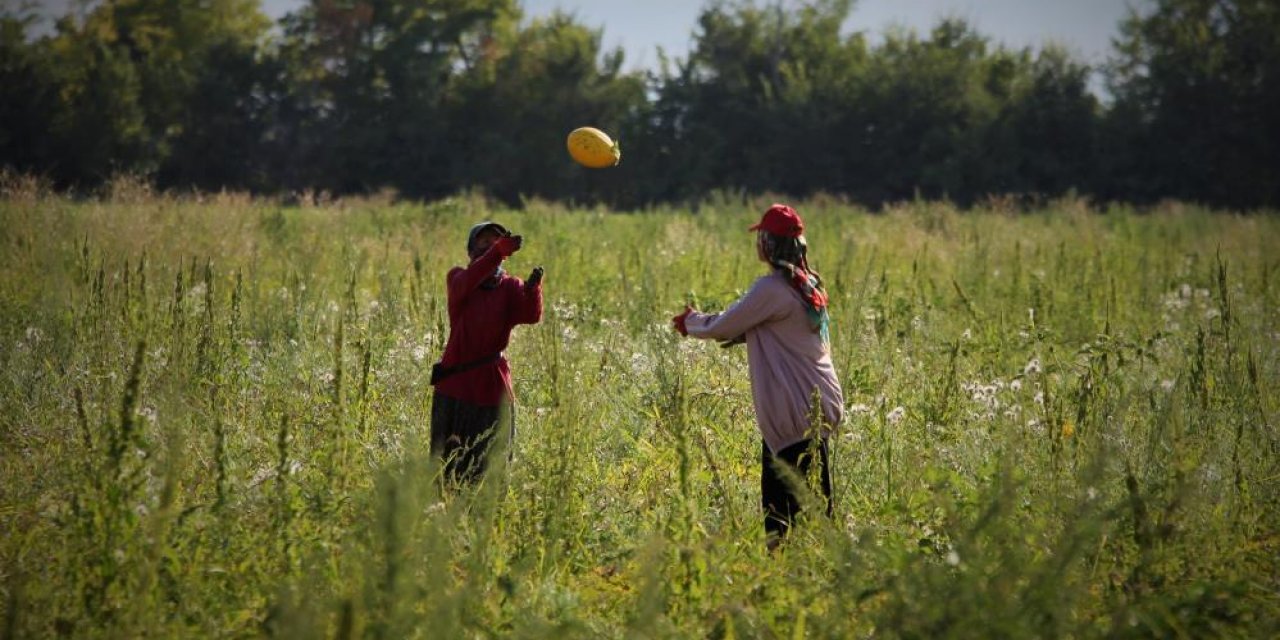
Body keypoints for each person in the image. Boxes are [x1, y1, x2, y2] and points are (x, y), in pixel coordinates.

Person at [671, 204, 844, 548]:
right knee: (817, 507)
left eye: (761, 237)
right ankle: (825, 572)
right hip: (816, 406)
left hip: (794, 411)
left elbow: (725, 324)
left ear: (767, 243)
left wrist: (690, 322)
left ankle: (787, 576)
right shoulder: (808, 285)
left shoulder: (772, 289)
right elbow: (771, 328)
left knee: (782, 516)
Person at [430, 221, 543, 484]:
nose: (489, 247)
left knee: (491, 465)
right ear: (470, 252)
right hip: (455, 386)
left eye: (494, 242)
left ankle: (487, 517)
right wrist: (497, 252)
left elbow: (530, 316)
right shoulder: (458, 278)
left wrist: (532, 290)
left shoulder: (509, 286)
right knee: (446, 465)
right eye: (482, 243)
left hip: (493, 386)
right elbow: (466, 283)